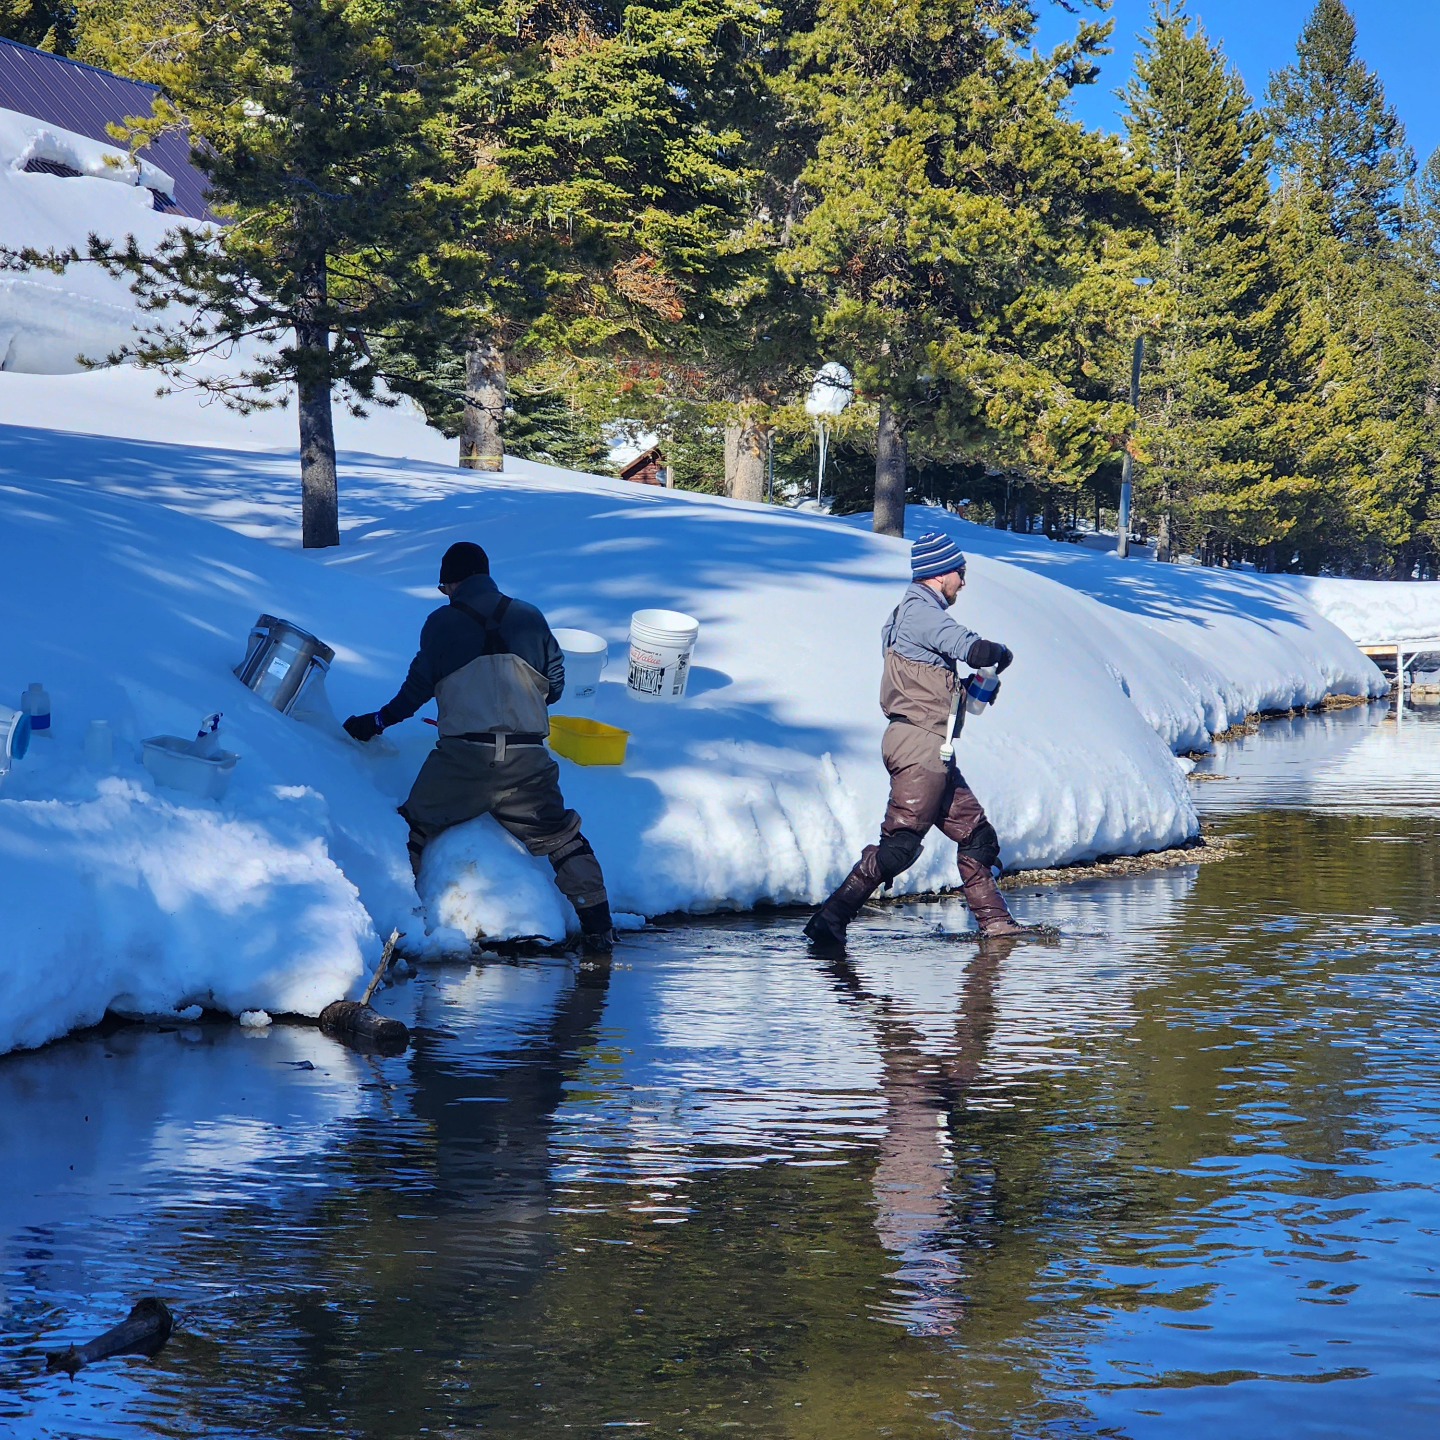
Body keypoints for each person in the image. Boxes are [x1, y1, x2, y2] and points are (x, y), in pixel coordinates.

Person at [343, 541, 615, 955]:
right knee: (561, 838)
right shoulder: (529, 615)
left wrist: (376, 722)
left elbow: (415, 691)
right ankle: (599, 931)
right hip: (527, 761)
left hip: (461, 761)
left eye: (443, 587)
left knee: (411, 826)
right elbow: (556, 686)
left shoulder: (441, 623)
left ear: (452, 582)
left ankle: (394, 927)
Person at [804, 530, 1024, 949]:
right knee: (900, 846)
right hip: (920, 746)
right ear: (941, 574)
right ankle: (829, 921)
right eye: (961, 572)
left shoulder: (906, 615)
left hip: (928, 745)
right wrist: (997, 652)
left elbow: (926, 682)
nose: (964, 581)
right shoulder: (922, 613)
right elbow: (969, 647)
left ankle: (997, 928)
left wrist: (972, 686)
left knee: (979, 838)